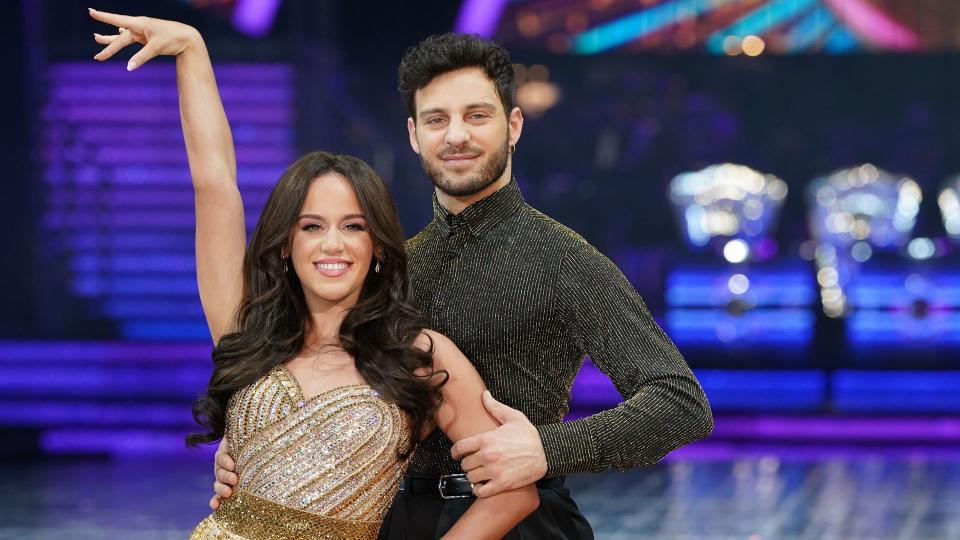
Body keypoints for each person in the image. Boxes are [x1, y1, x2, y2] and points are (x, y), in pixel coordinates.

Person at [213, 31, 715, 538]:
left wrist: (548, 448)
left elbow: (680, 403)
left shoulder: (562, 259)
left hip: (522, 519)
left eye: (477, 116)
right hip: (397, 520)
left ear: (513, 125)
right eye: (437, 119)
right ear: (414, 135)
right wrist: (257, 448)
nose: (456, 136)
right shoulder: (392, 264)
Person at [89, 8, 539, 540]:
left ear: (376, 247)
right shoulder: (247, 328)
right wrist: (192, 51)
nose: (333, 244)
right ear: (285, 244)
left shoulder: (422, 355)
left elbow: (514, 491)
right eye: (311, 226)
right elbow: (214, 185)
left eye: (353, 226)